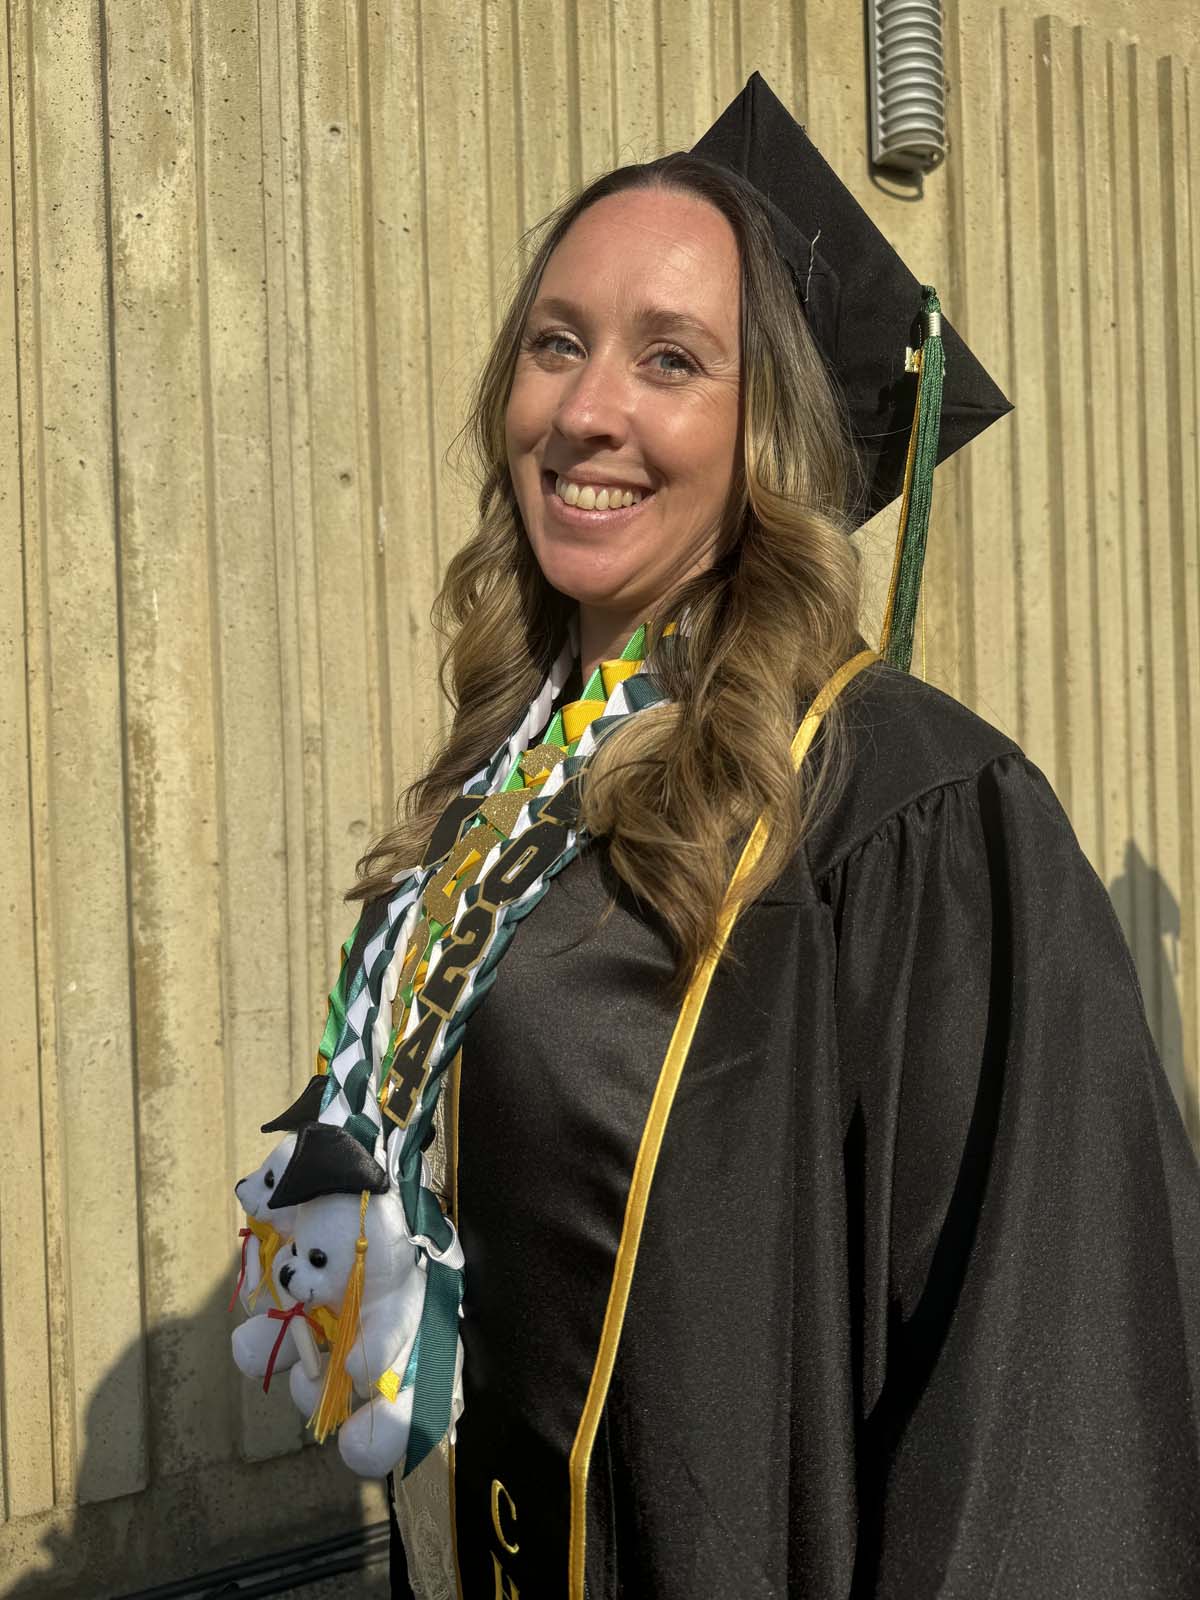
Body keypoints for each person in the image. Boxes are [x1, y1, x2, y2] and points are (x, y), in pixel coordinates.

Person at [252, 77, 1200, 1597]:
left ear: (771, 432)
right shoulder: (511, 781)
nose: (586, 411)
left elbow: (1047, 1387)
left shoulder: (911, 814)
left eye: (671, 359)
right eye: (557, 342)